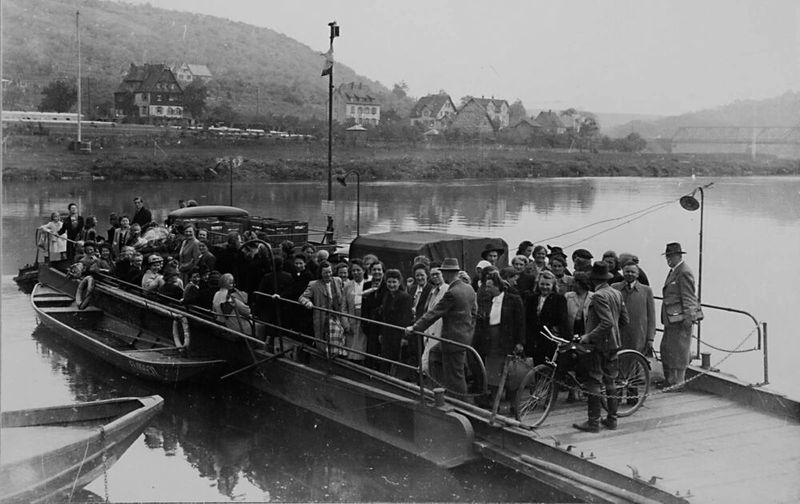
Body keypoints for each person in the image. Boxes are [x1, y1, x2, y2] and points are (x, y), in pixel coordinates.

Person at [408, 258, 477, 397]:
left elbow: (433, 313)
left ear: (446, 273)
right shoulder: (468, 288)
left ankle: (461, 404)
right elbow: (474, 312)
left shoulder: (452, 293)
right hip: (464, 338)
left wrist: (415, 328)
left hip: (452, 340)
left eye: (443, 272)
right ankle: (440, 389)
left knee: (455, 376)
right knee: (435, 355)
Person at [573, 262, 629, 433]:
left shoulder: (598, 296)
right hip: (614, 344)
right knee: (610, 381)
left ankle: (593, 422)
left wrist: (589, 336)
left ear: (593, 279)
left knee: (594, 381)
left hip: (599, 345)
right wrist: (614, 335)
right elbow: (624, 320)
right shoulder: (616, 293)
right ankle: (612, 419)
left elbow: (606, 322)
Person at [472, 269, 525, 399]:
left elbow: (520, 322)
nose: (487, 289)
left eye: (489, 287)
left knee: (511, 374)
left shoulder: (513, 299)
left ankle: (513, 402)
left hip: (507, 341)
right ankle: (495, 400)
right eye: (486, 287)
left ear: (497, 286)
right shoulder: (488, 301)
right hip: (491, 342)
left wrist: (520, 342)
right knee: (492, 373)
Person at [660, 242, 702, 390]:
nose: (668, 259)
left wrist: (689, 319)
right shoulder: (674, 271)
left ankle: (679, 382)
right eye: (667, 256)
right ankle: (671, 380)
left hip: (681, 319)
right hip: (672, 319)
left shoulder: (684, 272)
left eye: (670, 256)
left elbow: (689, 297)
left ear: (679, 256)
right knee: (669, 349)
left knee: (680, 351)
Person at [299, 261, 349, 356]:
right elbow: (302, 297)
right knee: (327, 335)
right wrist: (308, 302)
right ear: (321, 273)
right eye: (325, 273)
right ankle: (328, 354)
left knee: (339, 332)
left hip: (337, 313)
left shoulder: (337, 280)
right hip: (323, 316)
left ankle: (337, 354)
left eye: (329, 272)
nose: (328, 275)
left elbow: (343, 293)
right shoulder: (314, 284)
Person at [524, 270, 569, 365]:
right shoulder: (531, 298)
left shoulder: (559, 299)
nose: (544, 287)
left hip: (550, 338)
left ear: (553, 285)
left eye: (547, 285)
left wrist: (566, 339)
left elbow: (563, 320)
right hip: (534, 338)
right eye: (542, 284)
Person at [379, 269, 414, 377]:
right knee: (385, 358)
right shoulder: (386, 296)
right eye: (389, 282)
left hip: (399, 333)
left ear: (399, 282)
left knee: (398, 359)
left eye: (394, 282)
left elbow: (406, 318)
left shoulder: (405, 297)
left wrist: (404, 337)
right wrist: (381, 333)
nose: (391, 285)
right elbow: (383, 317)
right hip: (387, 333)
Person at [418, 263, 448, 374]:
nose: (435, 277)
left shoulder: (446, 290)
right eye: (432, 275)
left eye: (437, 274)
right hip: (430, 329)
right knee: (427, 361)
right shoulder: (432, 291)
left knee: (433, 361)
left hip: (439, 329)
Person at [342, 259, 368, 362]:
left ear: (364, 271)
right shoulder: (347, 286)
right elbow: (343, 307)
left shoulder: (368, 284)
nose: (356, 273)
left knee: (363, 346)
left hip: (363, 318)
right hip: (351, 318)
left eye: (358, 270)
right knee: (351, 347)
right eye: (353, 271)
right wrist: (345, 323)